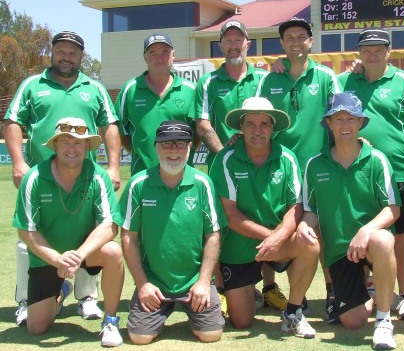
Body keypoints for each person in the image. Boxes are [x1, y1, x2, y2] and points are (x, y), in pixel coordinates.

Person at [4, 31, 121, 325]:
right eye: (61, 51)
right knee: (28, 239)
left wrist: (114, 167)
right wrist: (19, 163)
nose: (66, 57)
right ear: (52, 53)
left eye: (72, 52)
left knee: (87, 235)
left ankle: (87, 298)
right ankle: (25, 301)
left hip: (83, 181)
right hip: (41, 179)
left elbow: (109, 126)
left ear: (81, 56)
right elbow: (13, 122)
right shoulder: (32, 85)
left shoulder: (94, 88)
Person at [194, 20, 286, 312]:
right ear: (221, 45)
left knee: (265, 215)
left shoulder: (264, 78)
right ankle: (221, 285)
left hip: (261, 163)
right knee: (222, 224)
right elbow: (203, 123)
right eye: (228, 41)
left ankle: (269, 287)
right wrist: (225, 156)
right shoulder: (208, 82)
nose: (234, 45)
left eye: (239, 40)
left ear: (248, 44)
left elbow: (271, 117)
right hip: (222, 166)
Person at [209, 97, 319, 338]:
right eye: (250, 124)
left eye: (264, 124)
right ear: (241, 127)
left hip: (277, 239)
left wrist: (279, 237)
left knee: (310, 244)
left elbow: (296, 207)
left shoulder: (287, 158)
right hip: (238, 246)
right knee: (241, 321)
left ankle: (293, 312)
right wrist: (272, 237)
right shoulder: (225, 159)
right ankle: (235, 291)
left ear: (272, 127)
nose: (257, 131)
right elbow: (231, 215)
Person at [297, 92, 400, 350]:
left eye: (351, 119)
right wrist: (303, 225)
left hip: (371, 242)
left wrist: (367, 230)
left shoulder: (377, 159)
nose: (345, 125)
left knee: (383, 239)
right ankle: (373, 290)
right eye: (339, 118)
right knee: (352, 322)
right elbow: (311, 211)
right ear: (329, 124)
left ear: (361, 123)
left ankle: (384, 321)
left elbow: (393, 209)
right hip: (340, 252)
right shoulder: (315, 164)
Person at [256, 17, 342, 322]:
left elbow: (339, 117)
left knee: (322, 233)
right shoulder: (269, 79)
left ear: (310, 41)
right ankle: (291, 294)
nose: (295, 42)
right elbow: (259, 120)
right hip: (278, 167)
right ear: (282, 44)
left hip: (318, 166)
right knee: (281, 225)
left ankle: (333, 293)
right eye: (289, 38)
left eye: (301, 37)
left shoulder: (327, 77)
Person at [337, 29, 404, 321]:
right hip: (357, 172)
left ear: (389, 51)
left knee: (401, 236)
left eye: (379, 49)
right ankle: (367, 292)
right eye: (367, 49)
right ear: (359, 53)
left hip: (400, 171)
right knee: (361, 233)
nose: (372, 54)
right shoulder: (345, 81)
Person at [11, 117, 124, 347]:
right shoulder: (34, 178)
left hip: (85, 252)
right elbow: (26, 231)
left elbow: (110, 225)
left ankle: (110, 321)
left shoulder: (98, 176)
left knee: (113, 252)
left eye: (78, 143)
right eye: (65, 142)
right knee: (37, 328)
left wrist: (78, 256)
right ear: (54, 145)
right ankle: (62, 290)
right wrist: (57, 258)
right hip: (48, 257)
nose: (72, 148)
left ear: (87, 147)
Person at [117, 120, 226, 344]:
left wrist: (204, 281)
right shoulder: (138, 184)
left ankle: (203, 304)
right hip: (154, 283)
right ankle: (155, 306)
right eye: (166, 144)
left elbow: (213, 235)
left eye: (180, 144)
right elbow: (129, 236)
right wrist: (142, 284)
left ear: (190, 148)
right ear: (156, 147)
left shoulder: (203, 183)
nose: (173, 150)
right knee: (139, 337)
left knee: (211, 335)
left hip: (194, 282)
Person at [115, 32, 199, 176]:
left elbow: (198, 132)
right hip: (143, 176)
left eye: (165, 52)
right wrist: (139, 152)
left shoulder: (190, 90)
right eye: (153, 53)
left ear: (173, 55)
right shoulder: (130, 90)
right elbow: (118, 131)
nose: (159, 58)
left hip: (183, 176)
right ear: (145, 57)